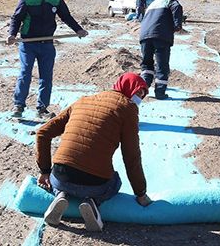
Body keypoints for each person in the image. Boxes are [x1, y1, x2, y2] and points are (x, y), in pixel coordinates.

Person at [35, 73, 152, 231]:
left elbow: (42, 133)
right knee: (115, 181)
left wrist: (44, 171)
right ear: (128, 89)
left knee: (63, 179)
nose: (139, 99)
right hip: (95, 184)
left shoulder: (82, 101)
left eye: (142, 96)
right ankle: (92, 202)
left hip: (61, 176)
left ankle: (60, 195)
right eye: (138, 93)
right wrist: (141, 193)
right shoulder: (128, 109)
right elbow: (131, 157)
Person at [7, 0, 88, 118]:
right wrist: (12, 34)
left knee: (46, 76)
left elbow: (66, 16)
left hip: (47, 44)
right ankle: (18, 106)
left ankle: (42, 109)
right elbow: (16, 18)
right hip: (28, 44)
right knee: (25, 74)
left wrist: (78, 30)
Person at [139, 0, 183, 99]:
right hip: (161, 36)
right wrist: (177, 25)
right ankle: (160, 93)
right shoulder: (169, 2)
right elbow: (176, 6)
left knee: (147, 64)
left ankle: (142, 89)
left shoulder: (151, 5)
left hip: (144, 36)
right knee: (161, 65)